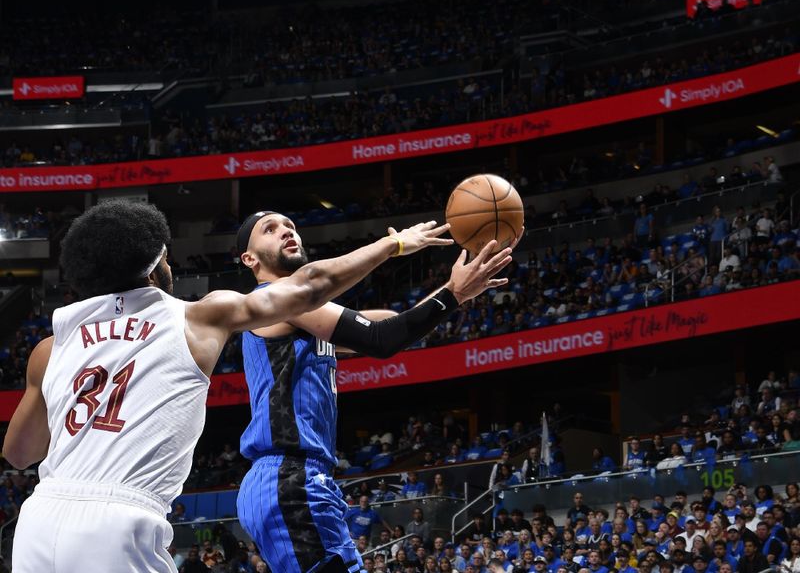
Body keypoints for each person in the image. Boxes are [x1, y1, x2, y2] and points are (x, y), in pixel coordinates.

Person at [2, 201, 471, 573]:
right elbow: (312, 285)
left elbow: (19, 453)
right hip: (121, 519)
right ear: (153, 263)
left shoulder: (51, 347)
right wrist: (393, 246)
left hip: (39, 520)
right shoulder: (195, 315)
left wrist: (450, 294)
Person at [233, 210, 518, 573]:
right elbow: (380, 339)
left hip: (292, 481)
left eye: (290, 225)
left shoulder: (303, 313)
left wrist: (456, 291)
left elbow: (390, 327)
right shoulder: (273, 298)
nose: (286, 231)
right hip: (287, 477)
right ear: (250, 259)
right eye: (269, 230)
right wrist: (395, 246)